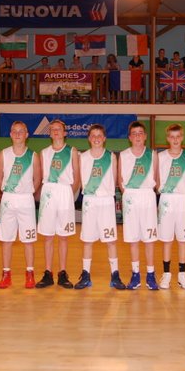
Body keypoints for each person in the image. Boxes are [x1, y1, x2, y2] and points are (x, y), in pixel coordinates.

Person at [75, 124, 125, 290]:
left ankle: (115, 275)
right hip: (90, 201)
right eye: (93, 135)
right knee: (87, 240)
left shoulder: (111, 157)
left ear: (104, 138)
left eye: (99, 135)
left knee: (111, 240)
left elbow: (115, 179)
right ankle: (85, 275)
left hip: (106, 201)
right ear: (89, 138)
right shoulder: (82, 157)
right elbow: (79, 180)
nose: (96, 138)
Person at [0, 121, 41, 289]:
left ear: (27, 135)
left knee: (28, 240)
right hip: (8, 199)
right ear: (10, 134)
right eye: (14, 131)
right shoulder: (3, 154)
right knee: (6, 239)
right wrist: (7, 191)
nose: (17, 134)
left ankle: (30, 274)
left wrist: (28, 193)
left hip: (26, 200)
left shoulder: (33, 156)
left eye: (21, 131)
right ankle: (6, 274)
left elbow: (37, 178)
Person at [35, 119, 79, 289]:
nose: (55, 131)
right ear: (49, 133)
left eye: (59, 129)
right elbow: (39, 177)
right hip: (48, 192)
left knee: (63, 236)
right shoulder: (43, 153)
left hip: (65, 191)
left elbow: (77, 177)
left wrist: (69, 194)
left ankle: (62, 272)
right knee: (48, 236)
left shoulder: (72, 151)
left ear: (64, 132)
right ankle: (48, 273)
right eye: (52, 129)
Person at [118, 121, 160, 290]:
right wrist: (129, 194)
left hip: (147, 196)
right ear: (129, 137)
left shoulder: (153, 154)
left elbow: (156, 178)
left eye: (140, 133)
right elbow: (120, 180)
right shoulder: (123, 155)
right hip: (130, 197)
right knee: (133, 238)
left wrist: (148, 193)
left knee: (149, 239)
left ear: (145, 136)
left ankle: (150, 274)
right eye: (134, 133)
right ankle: (135, 275)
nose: (137, 136)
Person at [157, 123, 185, 289]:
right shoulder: (160, 156)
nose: (175, 140)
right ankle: (166, 275)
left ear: (182, 137)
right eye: (172, 137)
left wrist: (183, 190)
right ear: (167, 138)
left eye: (178, 136)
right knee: (167, 239)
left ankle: (182, 275)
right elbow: (156, 179)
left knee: (183, 240)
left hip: (183, 200)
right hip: (166, 199)